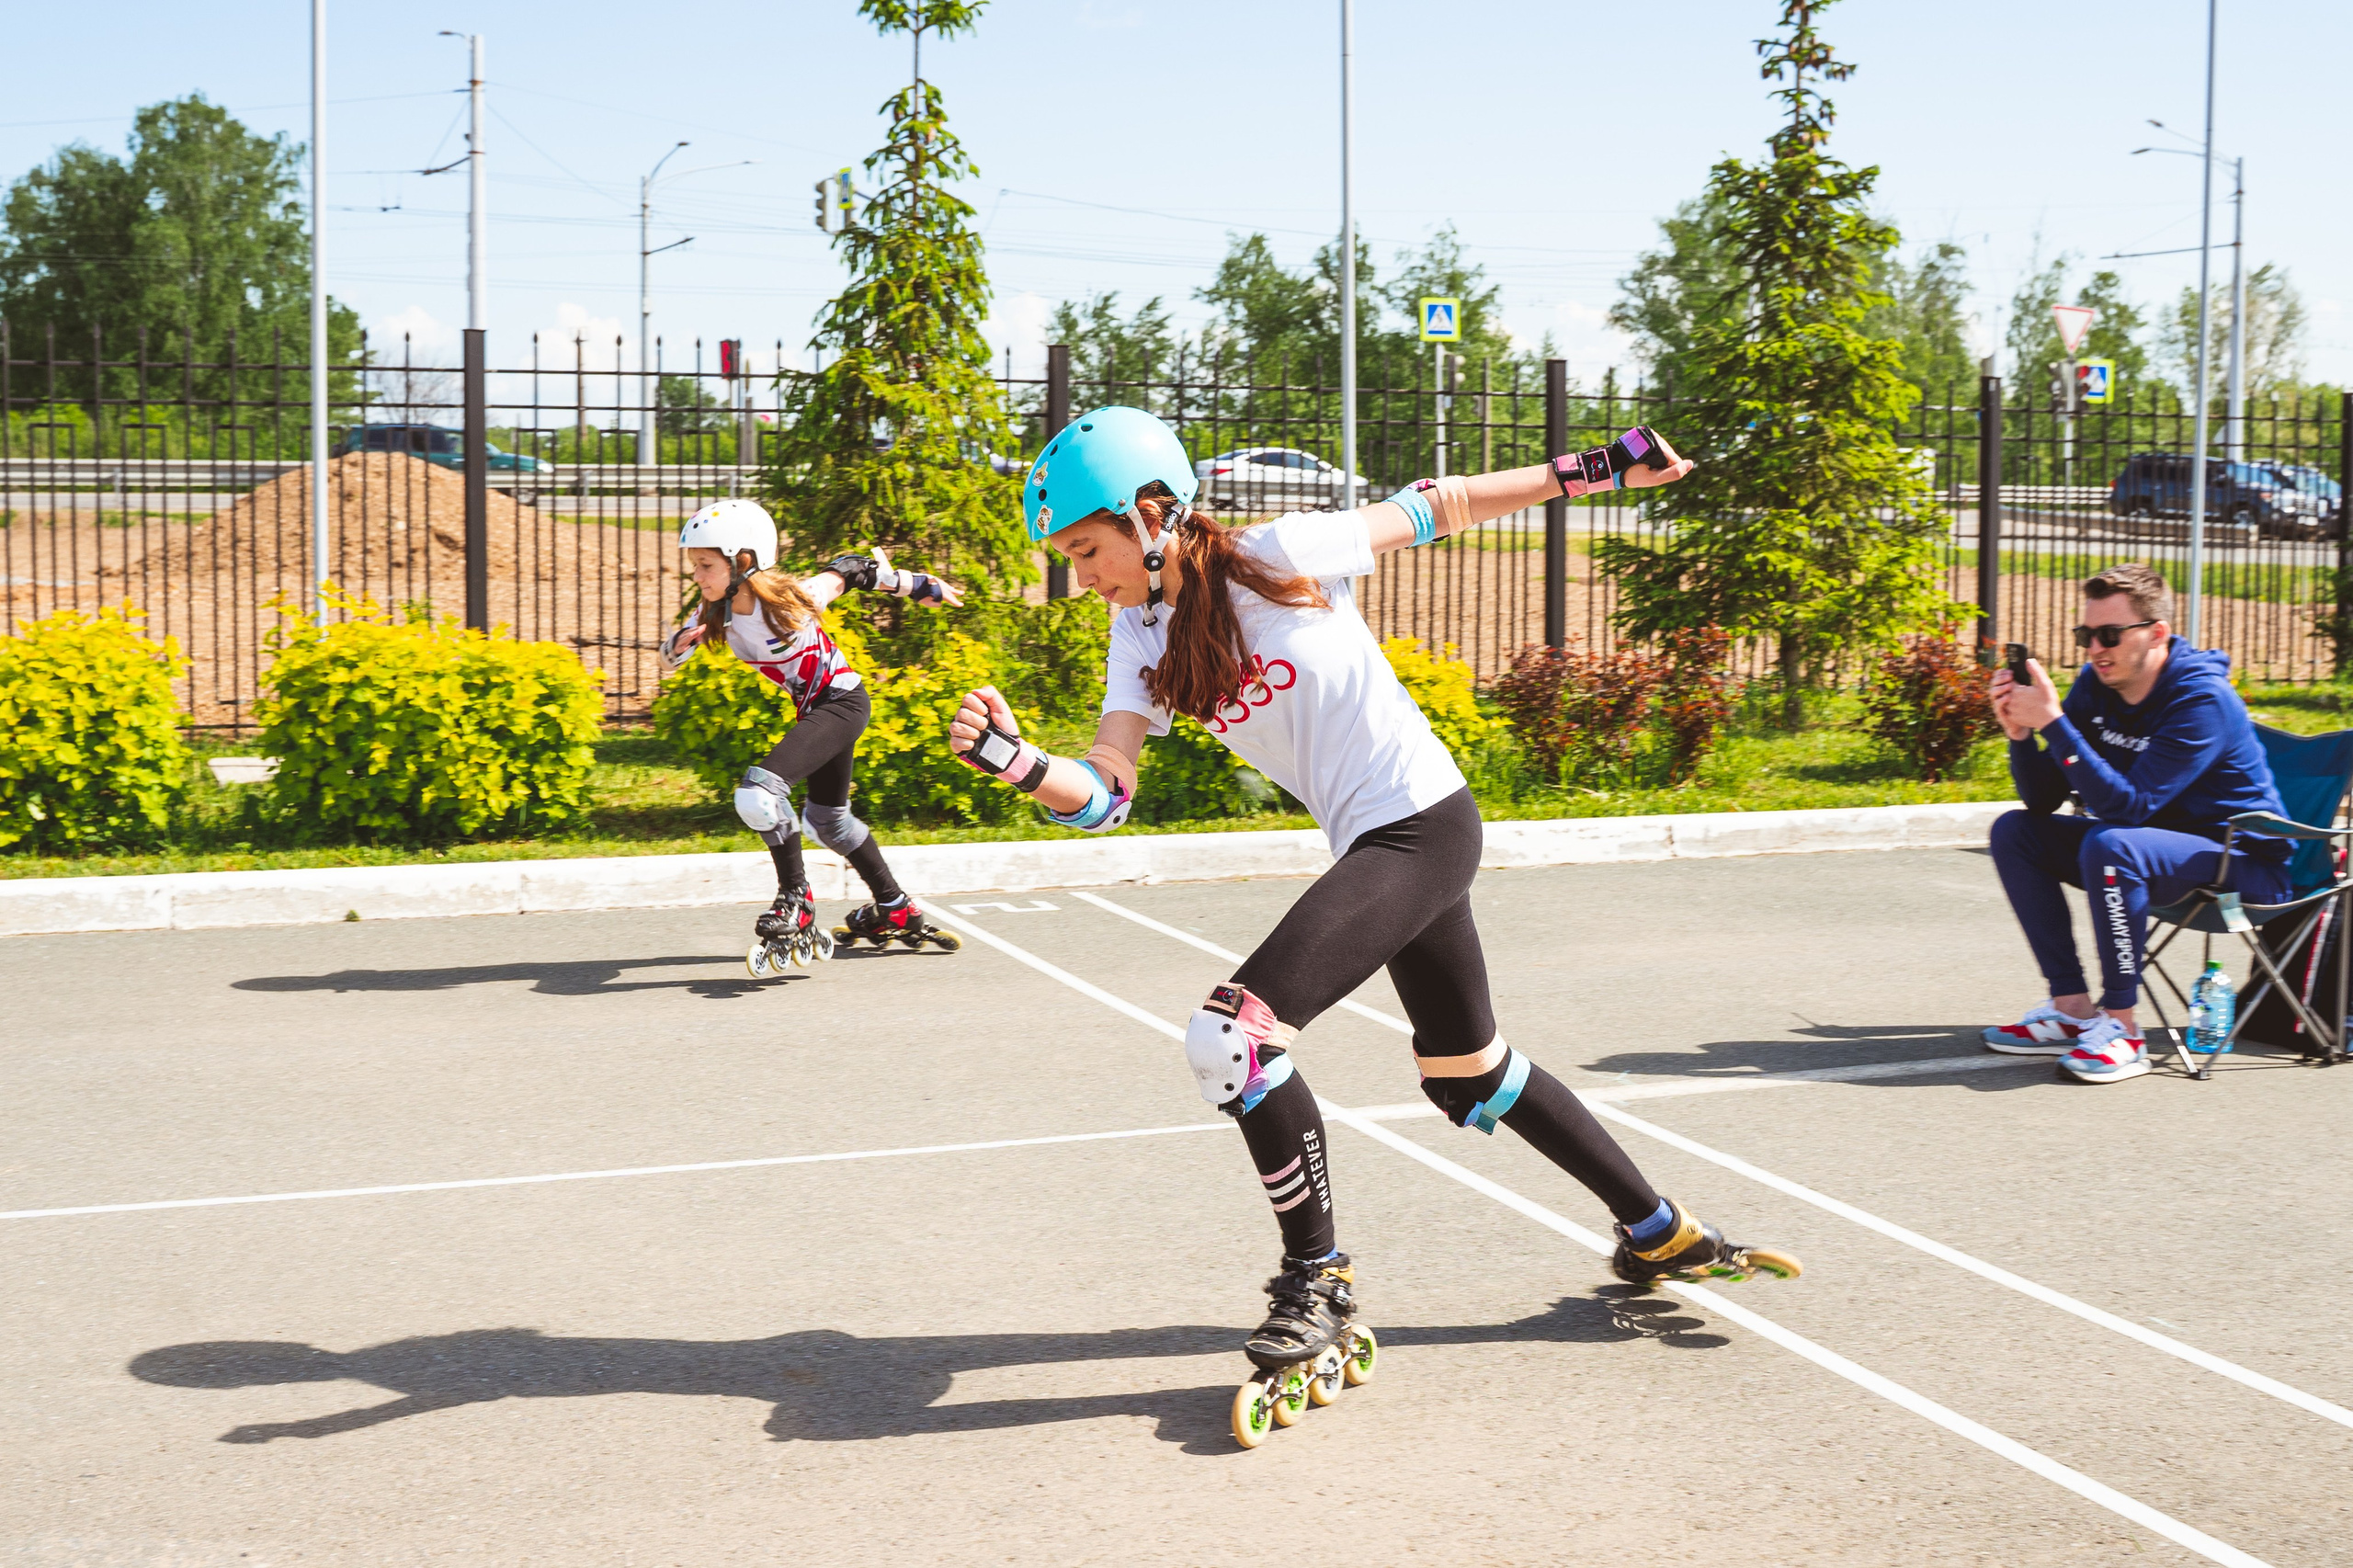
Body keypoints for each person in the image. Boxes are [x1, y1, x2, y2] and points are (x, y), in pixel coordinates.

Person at [945, 408, 1802, 1433]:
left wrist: (1597, 467)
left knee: (1232, 1037)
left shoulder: (1275, 554)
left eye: (1087, 550)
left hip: (1423, 827)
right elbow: (1108, 791)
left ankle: (1318, 1279)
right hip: (1373, 847)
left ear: (1150, 511)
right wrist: (1017, 762)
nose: (1081, 575)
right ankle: (1659, 1228)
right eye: (1067, 559)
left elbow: (1438, 506)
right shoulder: (1139, 637)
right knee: (1467, 1069)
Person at [1984, 562, 2289, 1082]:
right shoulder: (2095, 685)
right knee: (2014, 832)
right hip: (2154, 849)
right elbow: (2042, 800)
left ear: (2157, 634)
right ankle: (2074, 1009)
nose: (2095, 649)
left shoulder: (2201, 699)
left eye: (2109, 635)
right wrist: (2020, 736)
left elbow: (2131, 806)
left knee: (2114, 844)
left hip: (2243, 863)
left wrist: (2056, 724)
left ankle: (2122, 1026)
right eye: (2086, 635)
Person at [663, 499, 966, 973]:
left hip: (842, 703)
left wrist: (920, 585)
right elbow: (672, 651)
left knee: (758, 794)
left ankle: (796, 899)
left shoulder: (793, 600)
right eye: (694, 565)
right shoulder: (714, 613)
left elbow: (853, 569)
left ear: (743, 561)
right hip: (818, 708)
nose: (697, 575)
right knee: (828, 821)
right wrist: (677, 649)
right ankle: (895, 906)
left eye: (705, 565)